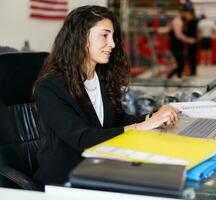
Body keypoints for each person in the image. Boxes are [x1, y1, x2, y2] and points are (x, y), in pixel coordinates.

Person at [32, 5, 179, 186]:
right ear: (81, 37)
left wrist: (153, 117)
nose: (113, 43)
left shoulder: (101, 78)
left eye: (112, 36)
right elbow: (82, 138)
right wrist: (142, 127)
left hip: (102, 169)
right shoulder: (50, 88)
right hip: (66, 180)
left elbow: (117, 121)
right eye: (104, 35)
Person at [167, 6, 195, 79]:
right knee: (180, 64)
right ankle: (168, 77)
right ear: (184, 13)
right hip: (176, 45)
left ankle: (179, 77)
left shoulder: (178, 21)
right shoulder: (178, 21)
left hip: (178, 45)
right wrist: (189, 40)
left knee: (181, 63)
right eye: (188, 14)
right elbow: (178, 35)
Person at [186, 8, 199, 76]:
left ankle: (193, 71)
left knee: (192, 56)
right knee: (191, 56)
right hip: (191, 40)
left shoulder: (193, 21)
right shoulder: (192, 21)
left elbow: (197, 31)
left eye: (187, 14)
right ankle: (193, 71)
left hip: (192, 40)